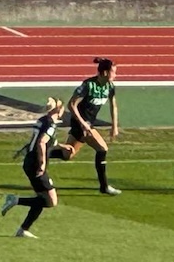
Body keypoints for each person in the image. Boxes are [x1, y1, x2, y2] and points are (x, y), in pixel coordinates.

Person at [48, 57, 121, 196]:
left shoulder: (110, 87)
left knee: (68, 154)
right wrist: (83, 124)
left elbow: (114, 105)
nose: (116, 75)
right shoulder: (88, 85)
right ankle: (104, 186)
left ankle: (39, 152)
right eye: (114, 72)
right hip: (81, 123)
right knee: (102, 148)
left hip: (88, 124)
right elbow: (71, 104)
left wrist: (114, 126)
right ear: (105, 73)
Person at [1, 97, 65, 238]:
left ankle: (23, 230)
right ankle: (15, 200)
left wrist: (63, 146)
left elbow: (39, 140)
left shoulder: (42, 120)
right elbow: (41, 142)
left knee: (42, 198)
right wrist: (42, 163)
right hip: (36, 164)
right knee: (51, 201)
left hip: (29, 162)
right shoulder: (51, 125)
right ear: (58, 110)